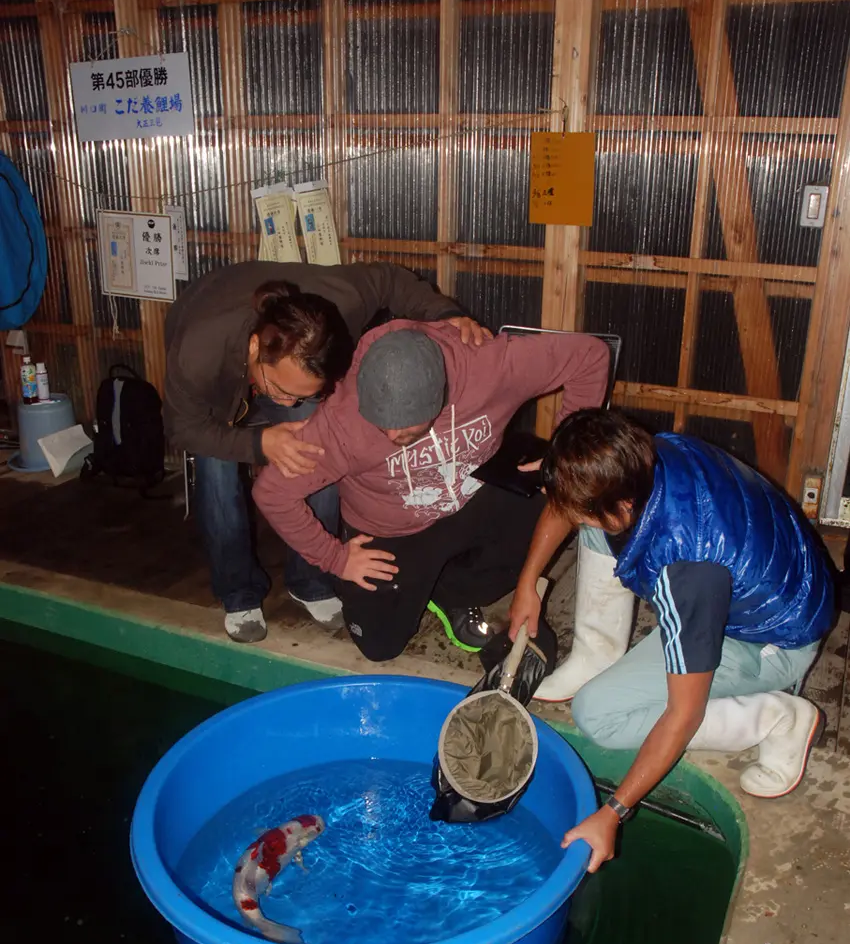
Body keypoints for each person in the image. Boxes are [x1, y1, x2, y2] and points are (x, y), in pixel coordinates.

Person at [509, 409, 836, 872]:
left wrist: (612, 812)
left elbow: (684, 713)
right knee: (596, 527)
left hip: (775, 639)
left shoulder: (687, 572)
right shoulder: (645, 454)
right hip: (779, 571)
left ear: (623, 507)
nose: (566, 514)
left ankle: (777, 717)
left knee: (596, 715)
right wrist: (529, 583)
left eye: (575, 508)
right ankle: (594, 655)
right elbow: (572, 504)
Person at [164, 260, 487, 642]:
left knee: (318, 451)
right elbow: (181, 427)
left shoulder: (338, 303)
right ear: (255, 347)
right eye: (282, 390)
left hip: (280, 361)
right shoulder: (198, 350)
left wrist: (446, 315)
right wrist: (259, 442)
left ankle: (311, 580)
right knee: (217, 475)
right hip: (214, 385)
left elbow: (388, 278)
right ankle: (238, 593)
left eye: (301, 393)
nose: (285, 402)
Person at [253, 320, 610, 661]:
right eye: (382, 425)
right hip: (391, 529)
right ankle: (425, 582)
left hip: (472, 497)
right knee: (380, 646)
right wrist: (336, 558)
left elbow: (590, 355)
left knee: (555, 498)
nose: (393, 438)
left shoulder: (490, 366)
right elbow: (272, 493)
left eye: (406, 431)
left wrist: (563, 457)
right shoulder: (340, 424)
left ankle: (452, 591)